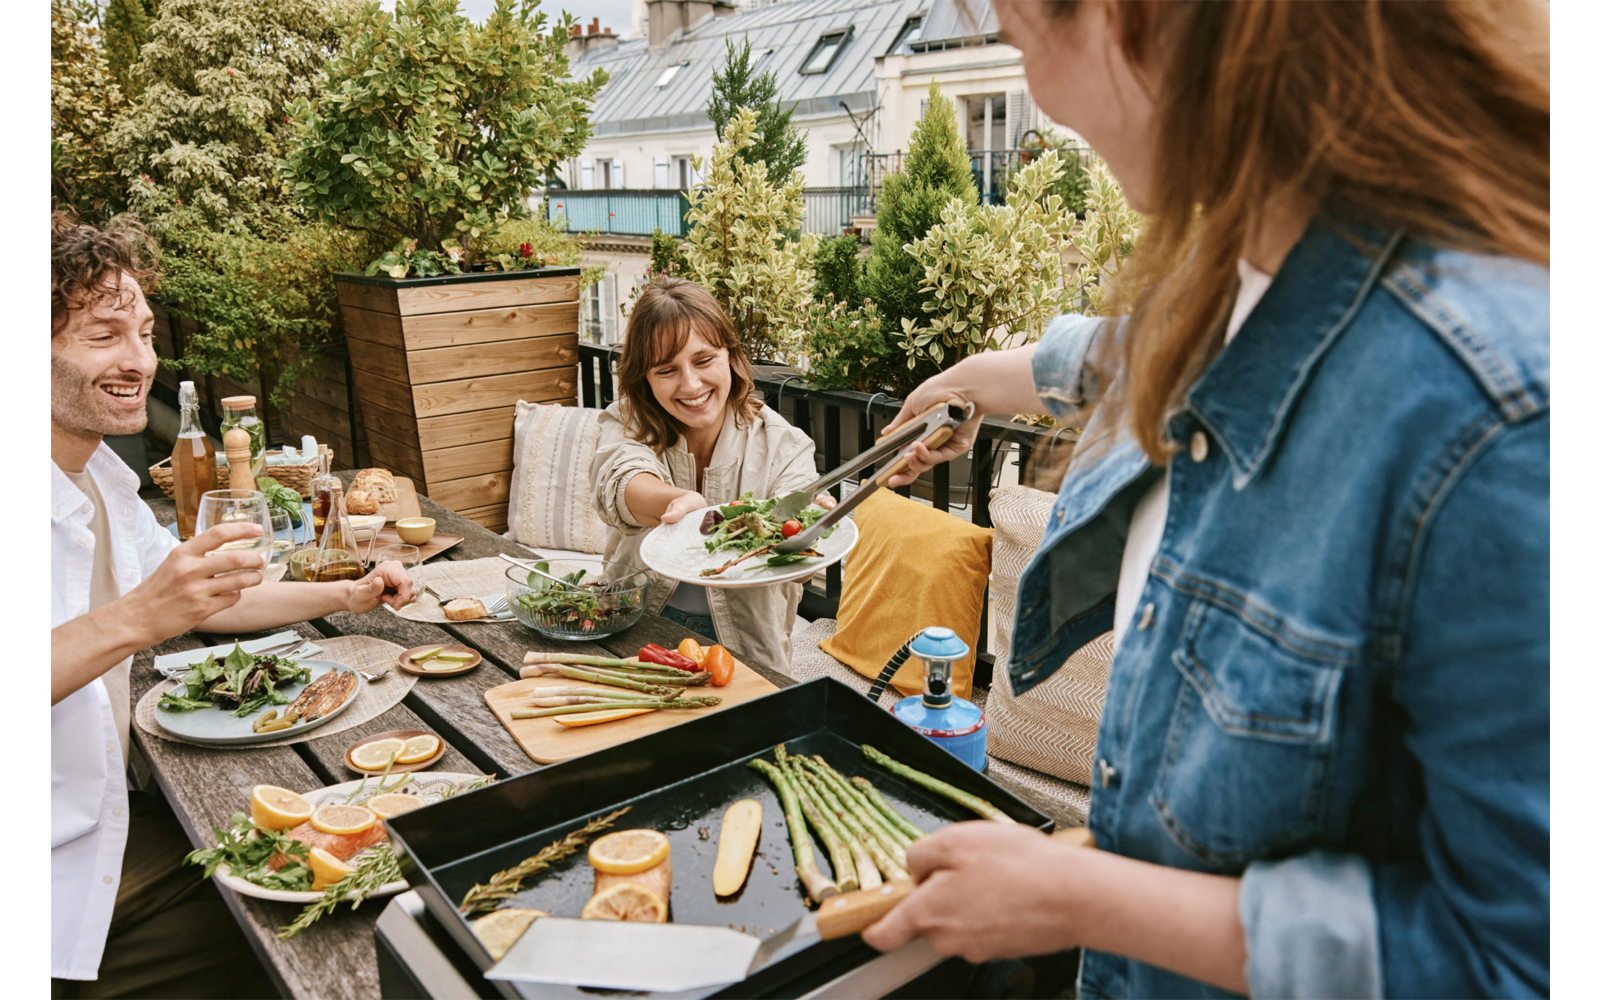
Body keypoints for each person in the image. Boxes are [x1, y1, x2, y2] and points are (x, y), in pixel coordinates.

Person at [861, 2, 1548, 997]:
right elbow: (1131, 355)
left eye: (1023, 41)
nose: (1039, 96)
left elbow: (1519, 964)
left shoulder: (1496, 419)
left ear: (1137, 19)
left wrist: (1081, 898)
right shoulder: (1252, 275)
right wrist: (970, 381)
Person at [50, 211, 417, 996]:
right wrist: (137, 617)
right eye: (104, 336)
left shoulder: (105, 479)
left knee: (354, 859)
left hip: (118, 818)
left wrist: (346, 592)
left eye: (144, 334)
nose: (138, 360)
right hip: (52, 869)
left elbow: (206, 601)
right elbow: (155, 609)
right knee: (326, 929)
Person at [591, 277, 832, 670]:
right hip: (633, 623)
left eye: (704, 361)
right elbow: (621, 482)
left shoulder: (784, 444)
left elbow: (801, 563)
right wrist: (677, 503)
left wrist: (811, 530)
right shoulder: (626, 421)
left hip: (749, 643)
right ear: (645, 378)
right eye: (666, 369)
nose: (691, 384)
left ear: (730, 356)